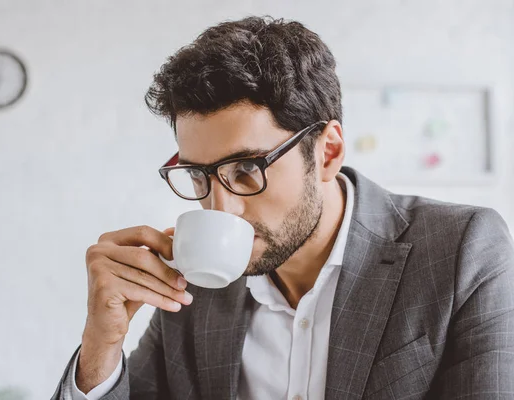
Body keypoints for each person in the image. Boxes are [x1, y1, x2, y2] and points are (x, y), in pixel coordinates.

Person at [52, 16, 514, 400]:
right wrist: (101, 346)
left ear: (328, 152)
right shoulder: (192, 287)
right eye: (198, 175)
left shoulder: (462, 250)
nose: (221, 208)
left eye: (248, 169)